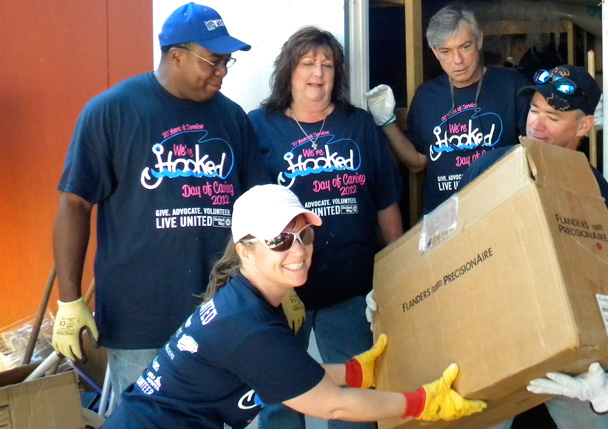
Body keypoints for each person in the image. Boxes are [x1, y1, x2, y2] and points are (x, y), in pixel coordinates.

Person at [102, 184, 486, 428]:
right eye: (279, 241)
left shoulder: (250, 301)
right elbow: (333, 407)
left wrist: (353, 372)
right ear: (245, 251)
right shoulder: (247, 326)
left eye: (304, 235)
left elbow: (286, 372)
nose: (299, 251)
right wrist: (422, 403)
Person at [51, 2, 271, 405]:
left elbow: (258, 208)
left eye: (228, 61)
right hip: (140, 318)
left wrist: (276, 283)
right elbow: (75, 203)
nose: (222, 71)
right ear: (176, 56)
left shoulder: (233, 119)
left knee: (215, 416)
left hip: (220, 311)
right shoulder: (112, 111)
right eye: (214, 60)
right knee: (147, 417)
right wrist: (69, 300)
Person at [248, 27, 403, 429]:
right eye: (307, 63)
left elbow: (385, 200)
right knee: (280, 397)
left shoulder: (359, 125)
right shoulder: (259, 126)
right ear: (289, 71)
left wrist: (399, 272)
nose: (318, 73)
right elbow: (250, 214)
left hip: (351, 291)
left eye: (327, 65)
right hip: (282, 293)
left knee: (356, 390)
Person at [458, 64, 608, 428]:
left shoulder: (593, 190)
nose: (536, 124)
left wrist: (604, 379)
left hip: (569, 352)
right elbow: (445, 248)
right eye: (534, 110)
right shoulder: (487, 168)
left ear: (583, 126)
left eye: (553, 117)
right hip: (494, 339)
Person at [365, 4, 529, 214]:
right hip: (443, 218)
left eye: (465, 46)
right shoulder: (426, 96)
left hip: (501, 211)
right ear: (435, 51)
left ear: (479, 41)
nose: (457, 60)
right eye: (446, 51)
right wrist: (386, 123)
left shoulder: (513, 87)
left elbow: (537, 153)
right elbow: (417, 162)